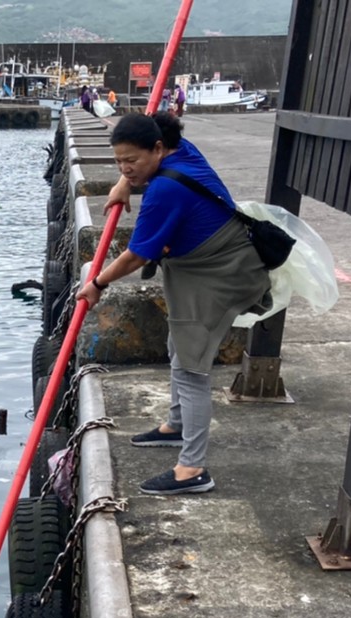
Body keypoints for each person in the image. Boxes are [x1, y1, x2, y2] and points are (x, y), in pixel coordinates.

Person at [77, 112, 271, 496]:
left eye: (131, 161)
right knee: (176, 345)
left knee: (190, 367)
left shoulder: (164, 190)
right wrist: (123, 184)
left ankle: (193, 468)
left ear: (159, 149)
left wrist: (96, 283)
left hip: (217, 272)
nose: (126, 168)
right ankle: (176, 425)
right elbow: (144, 152)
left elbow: (135, 256)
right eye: (118, 162)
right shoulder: (181, 152)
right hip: (200, 264)